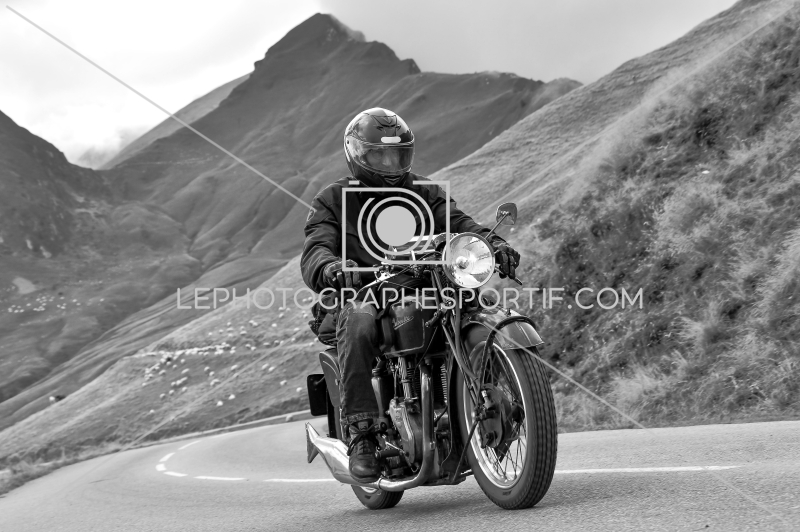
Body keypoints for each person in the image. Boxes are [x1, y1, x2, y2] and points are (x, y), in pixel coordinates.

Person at [300, 108, 520, 481]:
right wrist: (330, 268)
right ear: (357, 154)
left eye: (397, 155)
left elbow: (460, 223)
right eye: (379, 156)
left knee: (477, 306)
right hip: (364, 290)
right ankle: (362, 434)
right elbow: (316, 248)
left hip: (427, 284)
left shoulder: (426, 191)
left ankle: (490, 396)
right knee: (358, 322)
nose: (389, 165)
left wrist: (492, 242)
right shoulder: (333, 199)